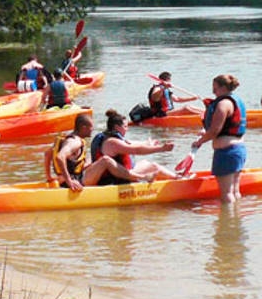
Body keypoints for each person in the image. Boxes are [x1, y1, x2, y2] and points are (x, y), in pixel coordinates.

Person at [43, 113, 154, 192]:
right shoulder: (75, 142)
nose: (93, 129)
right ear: (83, 127)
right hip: (76, 182)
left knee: (93, 160)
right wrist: (69, 181)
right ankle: (140, 177)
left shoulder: (66, 137)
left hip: (69, 179)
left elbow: (48, 154)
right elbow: (60, 157)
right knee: (105, 160)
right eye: (91, 127)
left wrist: (49, 177)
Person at [193, 74, 247, 203]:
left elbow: (214, 131)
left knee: (226, 194)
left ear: (223, 87)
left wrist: (199, 142)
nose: (213, 91)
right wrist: (205, 133)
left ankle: (228, 222)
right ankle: (236, 220)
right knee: (235, 191)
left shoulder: (223, 104)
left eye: (215, 88)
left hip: (226, 153)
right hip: (239, 149)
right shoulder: (237, 100)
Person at [90, 109, 180, 183]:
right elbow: (136, 150)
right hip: (114, 180)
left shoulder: (108, 138)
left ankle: (176, 178)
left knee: (146, 163)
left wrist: (147, 143)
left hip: (115, 176)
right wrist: (161, 149)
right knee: (154, 167)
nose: (127, 129)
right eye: (125, 126)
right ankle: (179, 180)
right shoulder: (112, 142)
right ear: (117, 127)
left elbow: (131, 143)